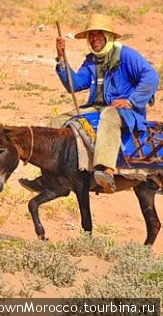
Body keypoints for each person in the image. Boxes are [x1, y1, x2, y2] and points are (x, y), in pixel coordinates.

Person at [48, 13, 159, 193]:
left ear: (108, 36)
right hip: (97, 108)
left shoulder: (126, 55)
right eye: (91, 35)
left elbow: (152, 78)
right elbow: (74, 84)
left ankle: (105, 170)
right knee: (58, 122)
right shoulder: (91, 60)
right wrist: (61, 58)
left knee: (108, 115)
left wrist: (131, 101)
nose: (94, 38)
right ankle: (55, 174)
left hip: (126, 112)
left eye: (99, 34)